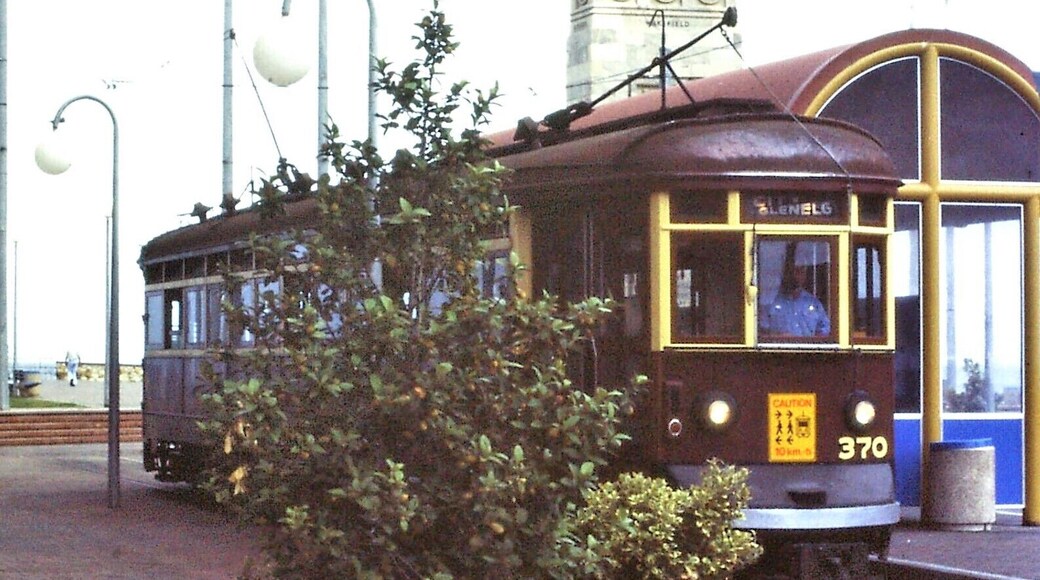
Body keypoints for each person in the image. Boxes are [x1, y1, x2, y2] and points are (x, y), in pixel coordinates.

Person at [759, 253, 831, 338]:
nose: (796, 275)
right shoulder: (770, 301)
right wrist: (779, 336)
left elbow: (825, 331)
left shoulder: (813, 303)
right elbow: (760, 333)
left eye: (801, 271)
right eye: (793, 271)